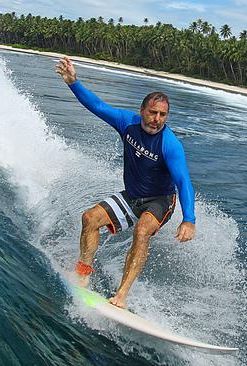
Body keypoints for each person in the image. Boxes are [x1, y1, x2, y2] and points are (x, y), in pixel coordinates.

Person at [55, 56, 196, 309]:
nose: (157, 119)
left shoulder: (170, 144)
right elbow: (97, 106)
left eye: (163, 114)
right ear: (142, 111)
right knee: (89, 219)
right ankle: (83, 273)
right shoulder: (127, 123)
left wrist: (189, 220)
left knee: (142, 231)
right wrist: (73, 83)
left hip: (160, 200)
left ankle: (121, 296)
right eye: (152, 112)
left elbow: (184, 182)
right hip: (132, 196)